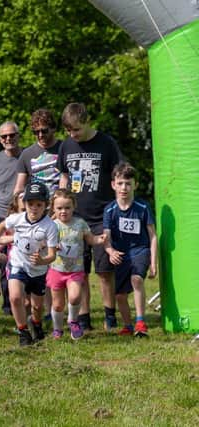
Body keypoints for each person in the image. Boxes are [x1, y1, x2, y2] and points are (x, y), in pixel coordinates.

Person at [57, 102, 123, 331]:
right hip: (75, 219)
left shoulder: (107, 143)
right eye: (68, 131)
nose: (72, 135)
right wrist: (60, 198)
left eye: (75, 129)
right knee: (79, 272)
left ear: (86, 121)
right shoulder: (66, 146)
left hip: (101, 216)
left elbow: (118, 175)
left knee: (105, 271)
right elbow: (64, 176)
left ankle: (110, 316)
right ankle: (83, 318)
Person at [0, 182, 58, 346]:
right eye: (30, 204)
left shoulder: (50, 226)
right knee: (16, 298)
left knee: (37, 307)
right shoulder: (17, 218)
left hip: (38, 270)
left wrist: (42, 260)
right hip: (18, 264)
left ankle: (37, 324)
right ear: (24, 204)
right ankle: (23, 332)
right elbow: (2, 225)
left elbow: (52, 255)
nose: (34, 208)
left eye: (39, 204)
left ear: (46, 205)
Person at [103, 162, 157, 337]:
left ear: (136, 185)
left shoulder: (142, 207)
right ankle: (127, 325)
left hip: (140, 250)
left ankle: (140, 321)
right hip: (121, 255)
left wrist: (153, 262)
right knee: (119, 295)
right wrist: (110, 251)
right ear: (113, 185)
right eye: (120, 183)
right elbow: (106, 236)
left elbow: (153, 236)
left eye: (128, 183)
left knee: (137, 280)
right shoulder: (110, 210)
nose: (124, 187)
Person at [47, 189, 106, 340]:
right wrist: (53, 247)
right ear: (53, 208)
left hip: (75, 270)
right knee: (58, 304)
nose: (63, 211)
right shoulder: (52, 226)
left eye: (67, 207)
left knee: (75, 297)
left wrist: (100, 239)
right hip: (56, 270)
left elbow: (90, 239)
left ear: (74, 207)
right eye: (59, 208)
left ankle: (73, 321)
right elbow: (43, 244)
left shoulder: (80, 224)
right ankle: (58, 329)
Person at [14, 108, 63, 195]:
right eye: (36, 132)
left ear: (53, 128)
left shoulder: (65, 148)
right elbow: (19, 188)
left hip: (61, 205)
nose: (40, 135)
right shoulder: (26, 154)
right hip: (36, 205)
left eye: (44, 131)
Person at [0, 121, 22, 222]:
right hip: (0, 215)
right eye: (4, 136)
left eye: (12, 135)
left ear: (18, 136)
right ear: (0, 139)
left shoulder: (28, 155)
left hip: (24, 212)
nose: (8, 139)